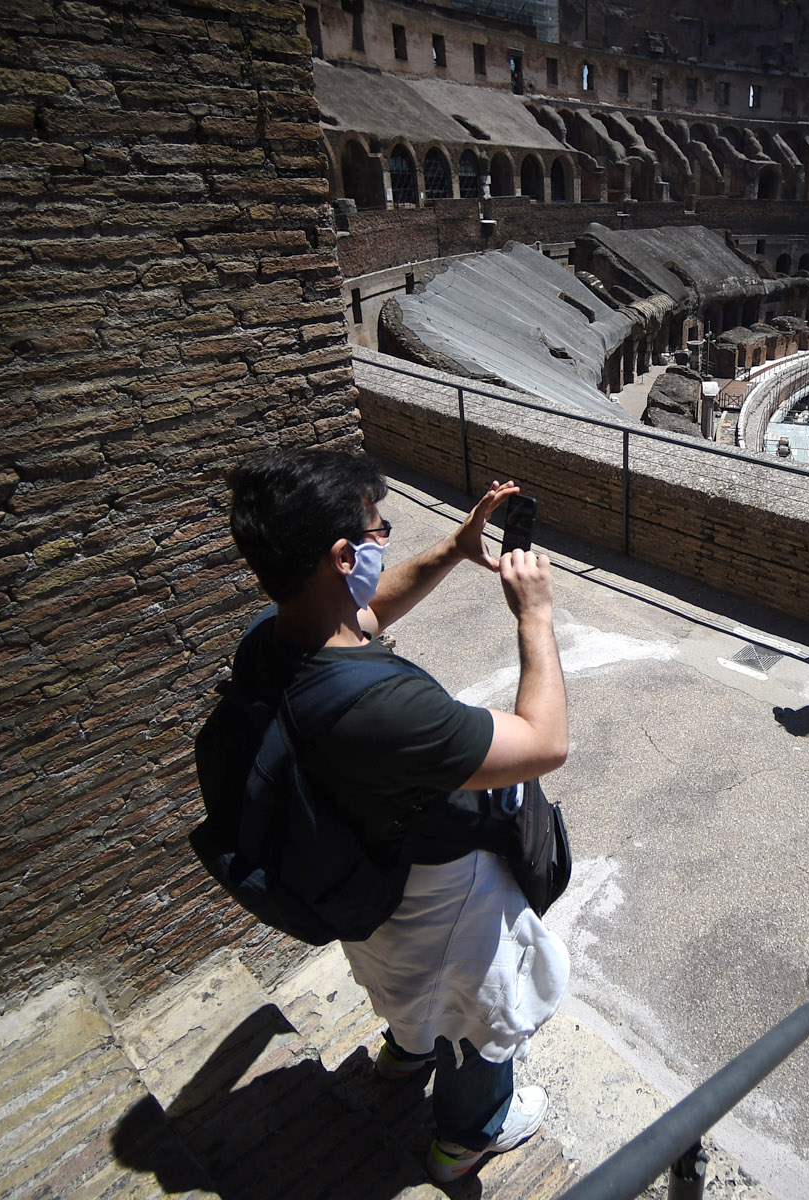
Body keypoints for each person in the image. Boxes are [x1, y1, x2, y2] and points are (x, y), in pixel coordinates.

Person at [224, 447, 568, 1184]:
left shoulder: (273, 639)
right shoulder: (384, 708)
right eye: (378, 532)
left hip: (365, 882)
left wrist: (452, 548)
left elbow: (365, 616)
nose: (386, 542)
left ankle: (406, 1055)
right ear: (342, 555)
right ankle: (467, 1137)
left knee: (407, 989)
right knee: (483, 1017)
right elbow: (545, 743)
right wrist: (535, 616)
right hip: (444, 897)